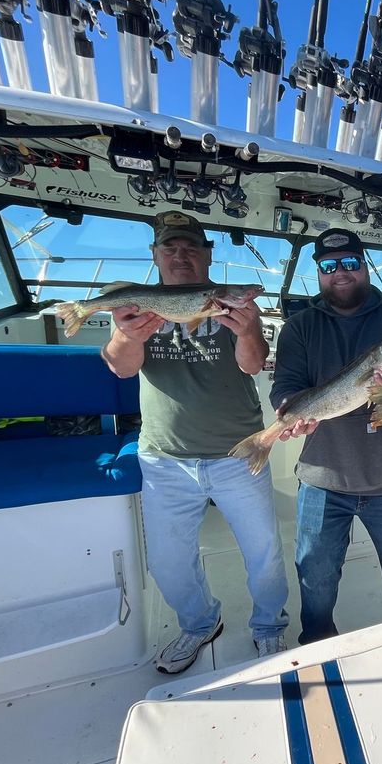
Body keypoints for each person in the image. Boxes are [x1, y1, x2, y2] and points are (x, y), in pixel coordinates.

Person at [101, 210, 288, 673]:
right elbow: (120, 367)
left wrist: (247, 330)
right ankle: (200, 624)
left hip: (237, 452)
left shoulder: (232, 301)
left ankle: (269, 628)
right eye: (171, 247)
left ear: (207, 255)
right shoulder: (136, 305)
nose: (180, 255)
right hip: (164, 458)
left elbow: (252, 365)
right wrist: (127, 334)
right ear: (156, 255)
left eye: (190, 247)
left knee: (263, 553)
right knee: (168, 562)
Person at [270, 228, 382, 644]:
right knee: (316, 572)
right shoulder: (299, 327)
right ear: (319, 274)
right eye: (328, 266)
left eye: (349, 262)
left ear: (364, 265)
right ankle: (317, 642)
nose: (339, 272)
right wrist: (292, 410)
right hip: (322, 477)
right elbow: (286, 385)